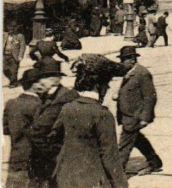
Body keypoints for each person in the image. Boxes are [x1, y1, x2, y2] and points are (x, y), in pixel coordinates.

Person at [51, 72, 128, 188]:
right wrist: (121, 185)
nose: (108, 88)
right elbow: (109, 156)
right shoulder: (102, 114)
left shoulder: (67, 108)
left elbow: (54, 138)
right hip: (92, 180)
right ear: (98, 86)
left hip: (65, 178)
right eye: (106, 84)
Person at [28, 61, 79, 187]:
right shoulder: (51, 95)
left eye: (41, 78)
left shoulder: (62, 99)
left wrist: (51, 154)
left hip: (52, 159)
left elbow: (37, 131)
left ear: (51, 79)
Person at [116, 46, 162, 176]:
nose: (121, 63)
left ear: (132, 59)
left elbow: (150, 97)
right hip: (127, 116)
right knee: (137, 140)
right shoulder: (129, 73)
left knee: (124, 146)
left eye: (124, 59)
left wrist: (144, 118)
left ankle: (116, 175)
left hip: (134, 116)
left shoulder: (142, 73)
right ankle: (155, 162)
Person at [3, 69, 43, 188]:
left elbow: (6, 130)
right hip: (32, 161)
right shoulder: (38, 105)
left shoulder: (10, 103)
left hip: (15, 158)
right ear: (35, 86)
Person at [4, 21, 27, 87]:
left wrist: (20, 56)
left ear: (17, 28)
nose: (12, 29)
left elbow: (23, 47)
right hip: (5, 55)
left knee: (13, 70)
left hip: (14, 56)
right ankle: (13, 80)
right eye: (10, 27)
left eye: (14, 27)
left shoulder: (20, 36)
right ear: (8, 28)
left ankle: (13, 83)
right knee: (4, 70)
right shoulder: (5, 35)